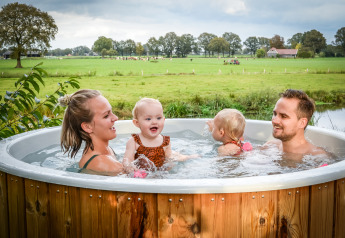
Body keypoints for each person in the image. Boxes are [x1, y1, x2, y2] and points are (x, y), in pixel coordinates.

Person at [59, 89, 123, 176]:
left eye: (112, 112)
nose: (115, 118)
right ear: (87, 127)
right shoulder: (102, 162)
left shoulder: (106, 151)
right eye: (106, 116)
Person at [266, 89, 326, 156]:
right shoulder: (270, 146)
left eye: (284, 116)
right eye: (275, 114)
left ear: (302, 123)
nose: (274, 121)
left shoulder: (317, 156)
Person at [123, 98, 172, 171]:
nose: (154, 122)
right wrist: (130, 168)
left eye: (159, 118)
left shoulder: (165, 142)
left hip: (160, 175)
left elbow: (169, 160)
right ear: (137, 123)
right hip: (140, 175)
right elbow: (127, 159)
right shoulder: (134, 141)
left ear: (163, 120)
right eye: (148, 119)